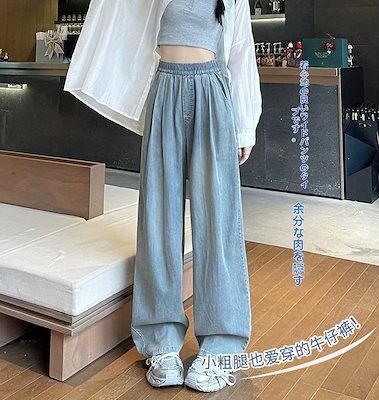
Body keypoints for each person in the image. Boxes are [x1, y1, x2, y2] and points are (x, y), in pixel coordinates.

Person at [64, 0, 262, 393]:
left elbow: (241, 49)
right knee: (158, 218)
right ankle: (161, 342)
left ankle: (222, 346)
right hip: (165, 90)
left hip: (213, 91)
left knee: (219, 219)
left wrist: (245, 126)